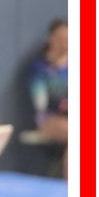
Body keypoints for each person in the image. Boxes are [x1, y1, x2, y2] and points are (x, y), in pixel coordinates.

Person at [28, 18, 68, 179]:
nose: (64, 43)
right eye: (60, 38)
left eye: (67, 38)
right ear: (50, 39)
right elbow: (40, 103)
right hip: (50, 118)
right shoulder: (40, 67)